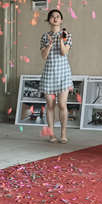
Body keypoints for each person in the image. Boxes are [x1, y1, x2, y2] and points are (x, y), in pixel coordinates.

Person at [39, 9, 73, 143]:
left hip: (63, 73)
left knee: (62, 104)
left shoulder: (66, 35)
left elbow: (64, 52)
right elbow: (43, 56)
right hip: (49, 73)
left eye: (58, 16)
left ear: (61, 20)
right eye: (52, 17)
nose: (55, 18)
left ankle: (63, 134)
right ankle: (51, 134)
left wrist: (60, 40)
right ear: (49, 20)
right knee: (50, 105)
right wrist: (49, 45)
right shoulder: (45, 36)